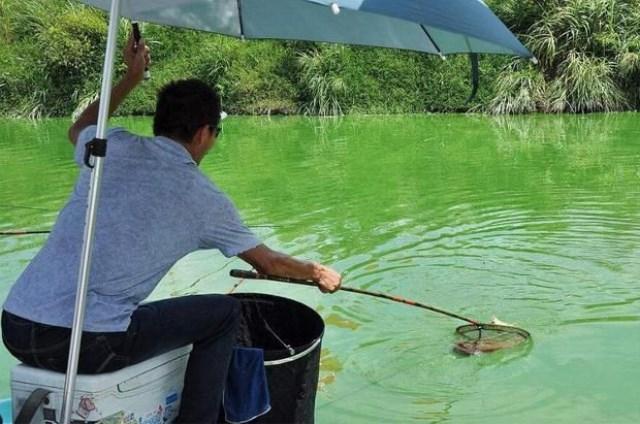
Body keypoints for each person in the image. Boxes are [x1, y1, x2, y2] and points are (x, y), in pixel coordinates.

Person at [1, 33, 341, 423]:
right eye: (216, 134)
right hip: (87, 345)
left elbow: (78, 126)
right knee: (224, 314)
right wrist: (316, 272)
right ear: (202, 134)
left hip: (16, 325)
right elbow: (267, 263)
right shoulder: (203, 197)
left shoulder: (112, 146)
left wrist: (131, 78)